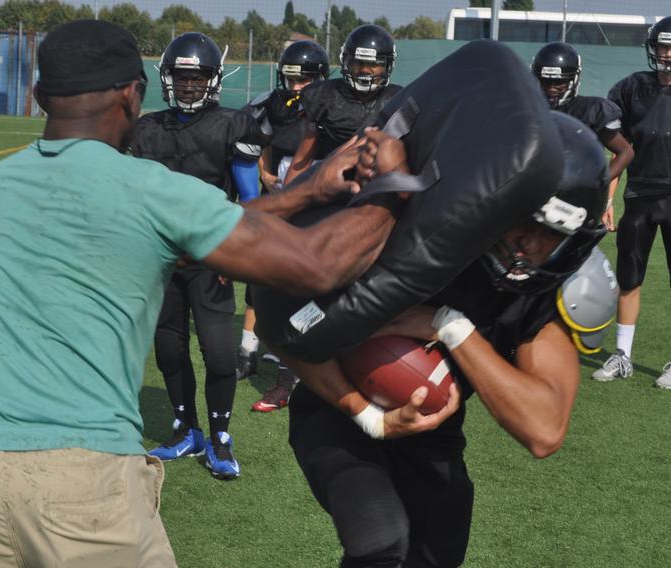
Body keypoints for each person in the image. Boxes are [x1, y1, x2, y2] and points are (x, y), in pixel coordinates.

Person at [0, 20, 410, 567]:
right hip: (79, 477)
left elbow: (184, 242)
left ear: (39, 97)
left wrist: (304, 190)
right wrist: (395, 186)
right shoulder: (147, 188)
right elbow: (321, 264)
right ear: (131, 93)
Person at [273, 112, 609, 568]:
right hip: (339, 408)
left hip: (432, 431)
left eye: (553, 234)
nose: (529, 244)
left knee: (438, 552)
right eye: (524, 221)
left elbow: (544, 430)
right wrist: (368, 416)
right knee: (380, 540)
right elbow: (286, 325)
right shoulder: (414, 229)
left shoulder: (539, 294)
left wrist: (448, 325)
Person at [128, 32, 266, 479]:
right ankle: (186, 429)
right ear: (168, 79)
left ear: (213, 80)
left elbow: (249, 199)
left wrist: (229, 253)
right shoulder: (147, 129)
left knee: (220, 352)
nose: (188, 86)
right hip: (161, 259)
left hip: (210, 258)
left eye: (197, 77)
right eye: (181, 77)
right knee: (168, 348)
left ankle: (221, 436)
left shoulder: (232, 125)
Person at [238, 40, 330, 413]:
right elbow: (258, 143)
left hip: (312, 204)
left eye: (304, 80)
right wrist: (265, 174)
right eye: (292, 79)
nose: (297, 87)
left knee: (300, 282)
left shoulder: (330, 106)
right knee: (258, 275)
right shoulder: (271, 104)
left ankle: (291, 367)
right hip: (276, 200)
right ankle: (247, 351)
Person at [593, 16, 671, 388]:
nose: (667, 54)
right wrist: (608, 198)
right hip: (639, 195)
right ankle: (622, 355)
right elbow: (618, 150)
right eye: (663, 46)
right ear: (652, 48)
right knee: (629, 277)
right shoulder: (632, 88)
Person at [284, 24, 402, 186]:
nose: (365, 70)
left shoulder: (398, 99)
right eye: (359, 63)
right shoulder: (323, 96)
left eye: (373, 64)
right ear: (346, 62)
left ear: (387, 65)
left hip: (378, 185)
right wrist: (288, 195)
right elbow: (303, 157)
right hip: (332, 182)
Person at [532, 41, 634, 227]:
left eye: (559, 82)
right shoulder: (528, 109)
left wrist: (599, 183)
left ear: (574, 79)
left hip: (577, 202)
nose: (552, 87)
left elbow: (625, 152)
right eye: (546, 81)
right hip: (536, 195)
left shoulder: (593, 110)